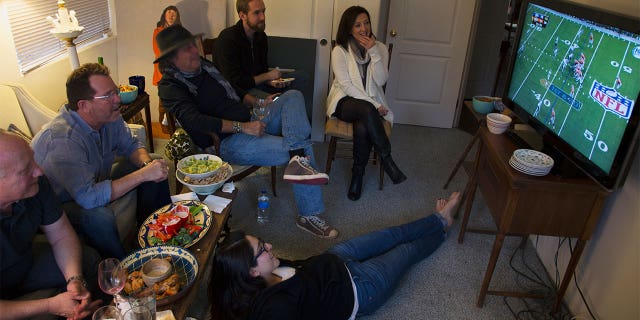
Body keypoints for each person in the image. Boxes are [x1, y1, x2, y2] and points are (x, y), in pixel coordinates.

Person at [155, 25, 338, 239]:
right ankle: (308, 214)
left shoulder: (204, 66)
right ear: (171, 59)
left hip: (250, 117)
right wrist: (244, 127)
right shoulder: (170, 86)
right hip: (227, 141)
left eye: (192, 45)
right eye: (186, 49)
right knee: (301, 148)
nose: (195, 50)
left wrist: (259, 102)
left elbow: (232, 90)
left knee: (293, 96)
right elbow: (195, 121)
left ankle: (298, 162)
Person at [210, 191, 461, 319]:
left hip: (334, 260)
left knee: (390, 234)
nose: (270, 247)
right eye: (262, 250)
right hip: (359, 289)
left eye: (263, 242)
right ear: (252, 271)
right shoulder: (276, 310)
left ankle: (438, 219)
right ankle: (442, 229)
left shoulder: (255, 278)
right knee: (406, 250)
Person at [31, 63, 171, 259]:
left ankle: (157, 236)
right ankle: (121, 268)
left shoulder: (109, 116)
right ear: (84, 105)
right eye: (108, 96)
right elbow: (88, 198)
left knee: (155, 162)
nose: (117, 99)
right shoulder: (62, 140)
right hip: (59, 204)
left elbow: (131, 145)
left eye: (115, 91)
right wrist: (142, 175)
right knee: (99, 217)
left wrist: (147, 167)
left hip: (93, 182)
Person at [0, 130, 102, 320]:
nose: (39, 171)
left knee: (89, 261)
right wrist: (49, 305)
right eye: (24, 170)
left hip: (23, 264)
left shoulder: (36, 184)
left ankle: (94, 313)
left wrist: (74, 279)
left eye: (33, 159)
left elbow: (61, 234)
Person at [326, 6, 406, 201]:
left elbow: (381, 81)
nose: (364, 28)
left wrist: (374, 52)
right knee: (367, 108)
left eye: (367, 23)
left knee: (363, 125)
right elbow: (346, 85)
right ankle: (387, 161)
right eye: (358, 24)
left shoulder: (379, 48)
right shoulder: (340, 50)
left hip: (368, 108)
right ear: (349, 28)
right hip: (345, 102)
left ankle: (357, 175)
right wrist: (373, 104)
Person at [213, 0, 309, 101]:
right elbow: (234, 83)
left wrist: (271, 81)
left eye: (263, 11)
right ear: (242, 16)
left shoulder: (261, 36)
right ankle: (281, 103)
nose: (263, 17)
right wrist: (267, 76)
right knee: (288, 99)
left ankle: (282, 102)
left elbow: (262, 70)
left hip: (259, 85)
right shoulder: (228, 39)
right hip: (241, 92)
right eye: (257, 13)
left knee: (302, 77)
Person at [153, 5, 182, 133]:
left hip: (178, 70)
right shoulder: (157, 31)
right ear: (164, 15)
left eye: (174, 13)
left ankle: (176, 123)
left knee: (177, 98)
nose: (171, 15)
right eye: (169, 12)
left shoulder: (180, 31)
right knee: (163, 101)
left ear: (177, 18)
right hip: (163, 71)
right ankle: (165, 128)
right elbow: (159, 51)